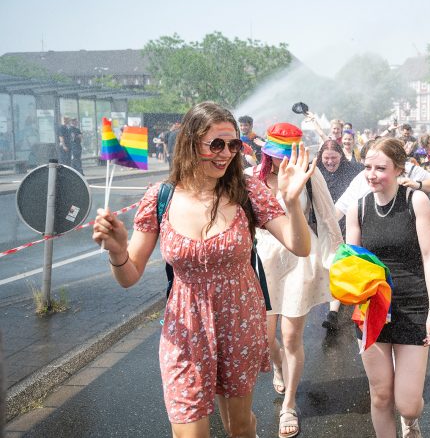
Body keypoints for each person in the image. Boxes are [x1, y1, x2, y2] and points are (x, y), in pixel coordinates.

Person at [91, 101, 315, 438]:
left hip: (240, 318)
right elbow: (128, 276)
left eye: (233, 145)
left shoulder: (247, 191)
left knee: (238, 428)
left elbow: (301, 246)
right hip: (185, 328)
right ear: (191, 143)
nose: (226, 154)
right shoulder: (160, 197)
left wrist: (292, 201)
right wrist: (118, 250)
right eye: (216, 144)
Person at [247, 122, 342, 438]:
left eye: (288, 154)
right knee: (263, 339)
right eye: (276, 155)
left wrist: (337, 261)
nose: (282, 160)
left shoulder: (309, 175)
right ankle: (278, 365)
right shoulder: (252, 180)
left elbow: (327, 218)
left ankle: (289, 404)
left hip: (300, 257)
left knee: (290, 337)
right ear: (266, 153)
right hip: (263, 260)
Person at [345, 137, 430, 438]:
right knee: (381, 395)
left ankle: (411, 421)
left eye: (380, 168)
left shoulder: (416, 201)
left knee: (408, 404)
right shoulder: (358, 208)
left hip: (412, 307)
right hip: (373, 310)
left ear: (399, 169)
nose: (372, 174)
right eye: (367, 167)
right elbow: (352, 263)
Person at [316, 139, 364, 331]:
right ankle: (334, 311)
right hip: (326, 225)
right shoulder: (314, 171)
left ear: (341, 157)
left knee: (347, 265)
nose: (329, 162)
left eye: (333, 158)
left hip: (350, 224)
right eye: (326, 158)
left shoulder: (354, 171)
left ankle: (340, 309)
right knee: (334, 267)